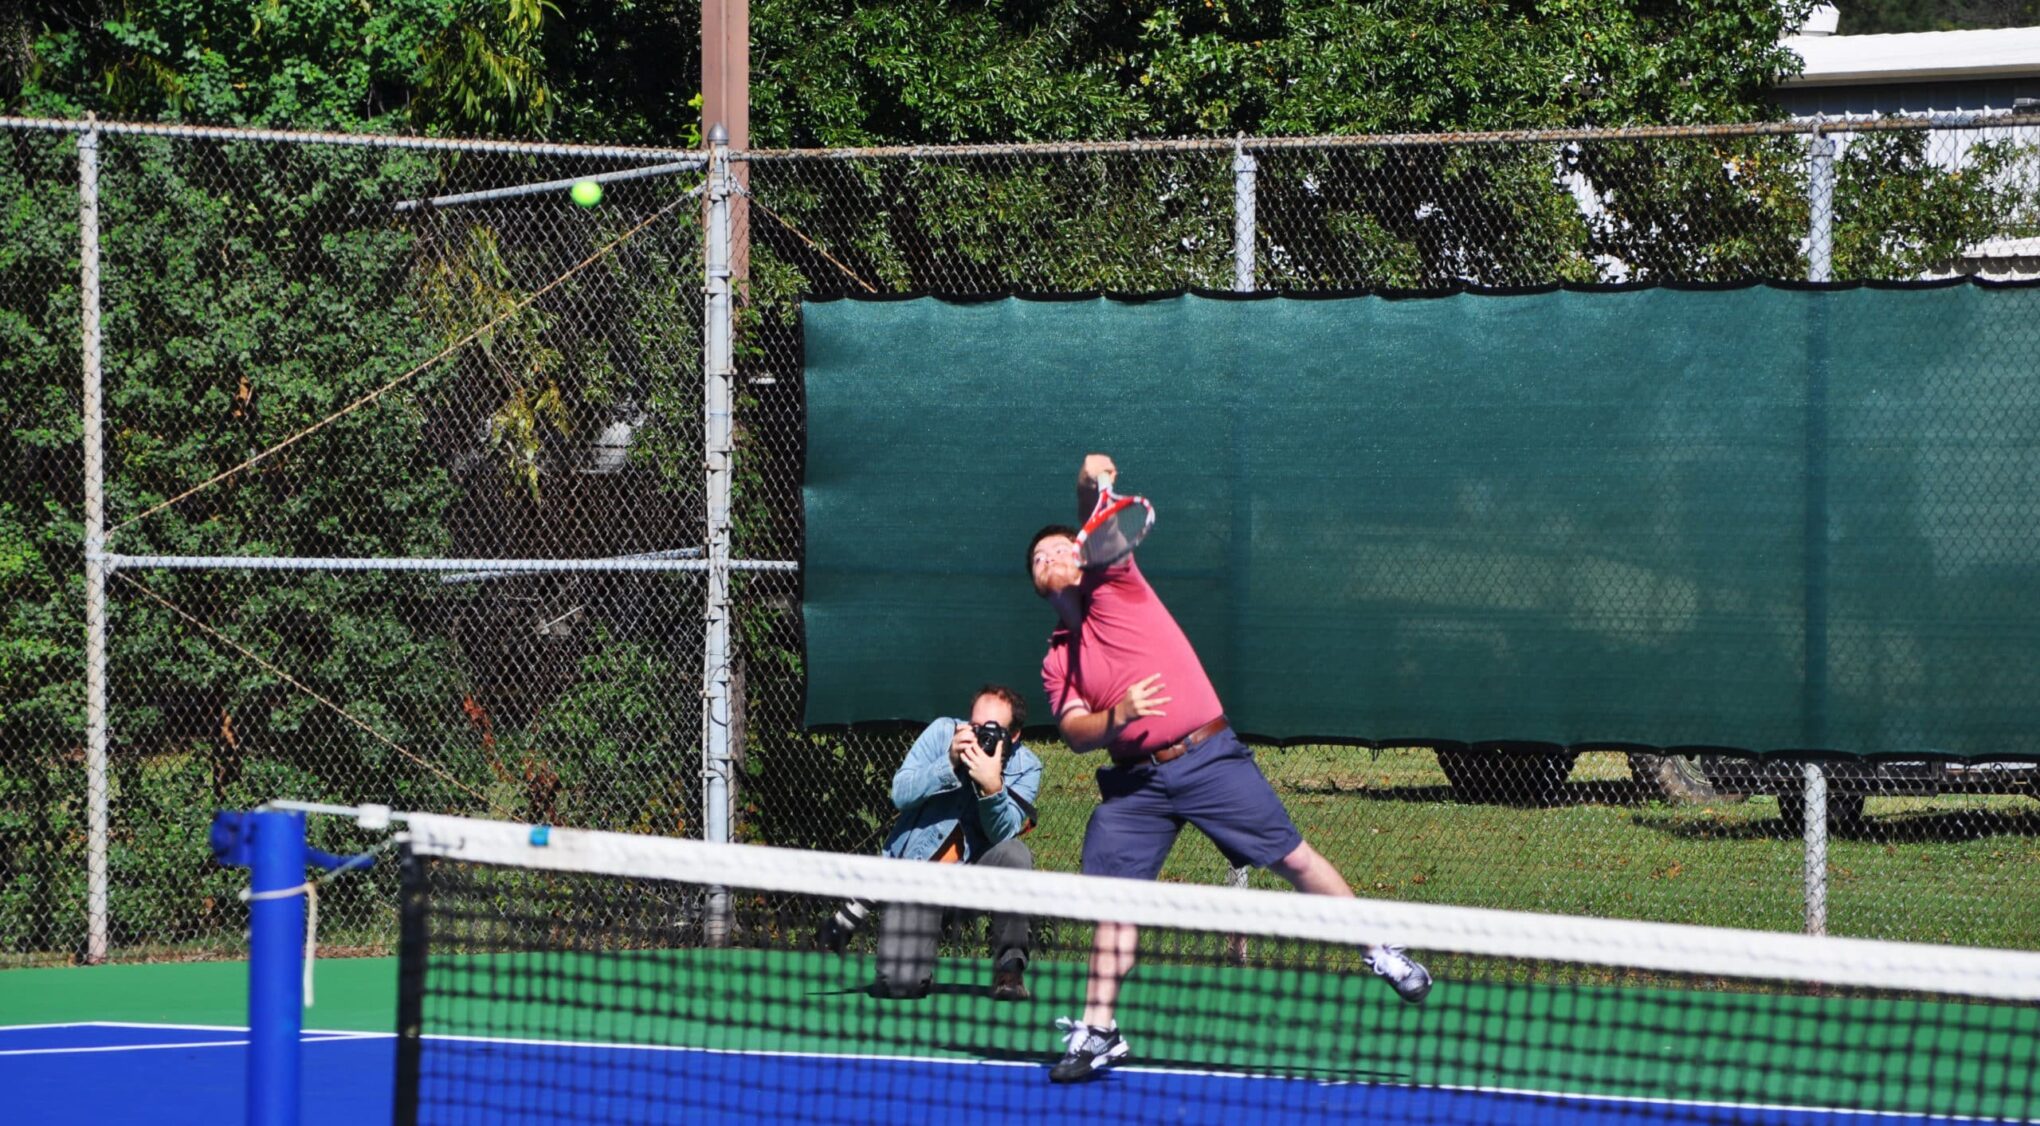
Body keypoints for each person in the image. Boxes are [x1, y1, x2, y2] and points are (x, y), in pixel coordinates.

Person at [1029, 453, 1432, 1084]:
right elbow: (1076, 733)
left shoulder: (1116, 584)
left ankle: (1379, 948)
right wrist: (1119, 717)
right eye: (1037, 559)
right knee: (1111, 904)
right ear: (1035, 584)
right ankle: (1100, 1030)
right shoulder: (1060, 658)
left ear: (1082, 559)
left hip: (1207, 756)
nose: (1051, 558)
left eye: (1060, 549)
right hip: (1135, 785)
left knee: (1292, 857)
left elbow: (1091, 505)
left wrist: (1090, 477)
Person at [819, 683, 1044, 1001]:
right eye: (975, 726)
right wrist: (949, 763)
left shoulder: (1028, 766)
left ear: (1015, 735)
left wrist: (992, 788)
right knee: (898, 985)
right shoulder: (942, 734)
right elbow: (901, 793)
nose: (980, 737)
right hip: (919, 879)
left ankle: (1009, 971)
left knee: (1015, 853)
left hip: (975, 882)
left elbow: (1003, 832)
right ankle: (913, 961)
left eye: (993, 730)